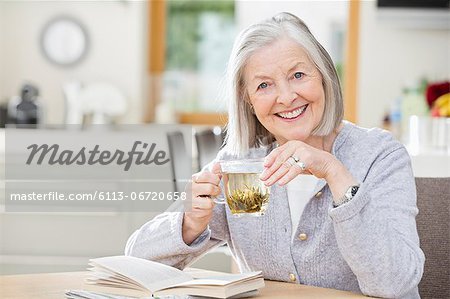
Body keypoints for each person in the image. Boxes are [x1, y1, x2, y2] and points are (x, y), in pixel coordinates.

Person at [125, 12, 424, 298]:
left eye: (297, 75)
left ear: (323, 76)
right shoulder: (239, 165)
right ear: (248, 99)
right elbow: (135, 260)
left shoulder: (379, 156)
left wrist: (334, 172)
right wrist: (189, 224)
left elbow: (395, 283)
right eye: (264, 85)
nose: (286, 97)